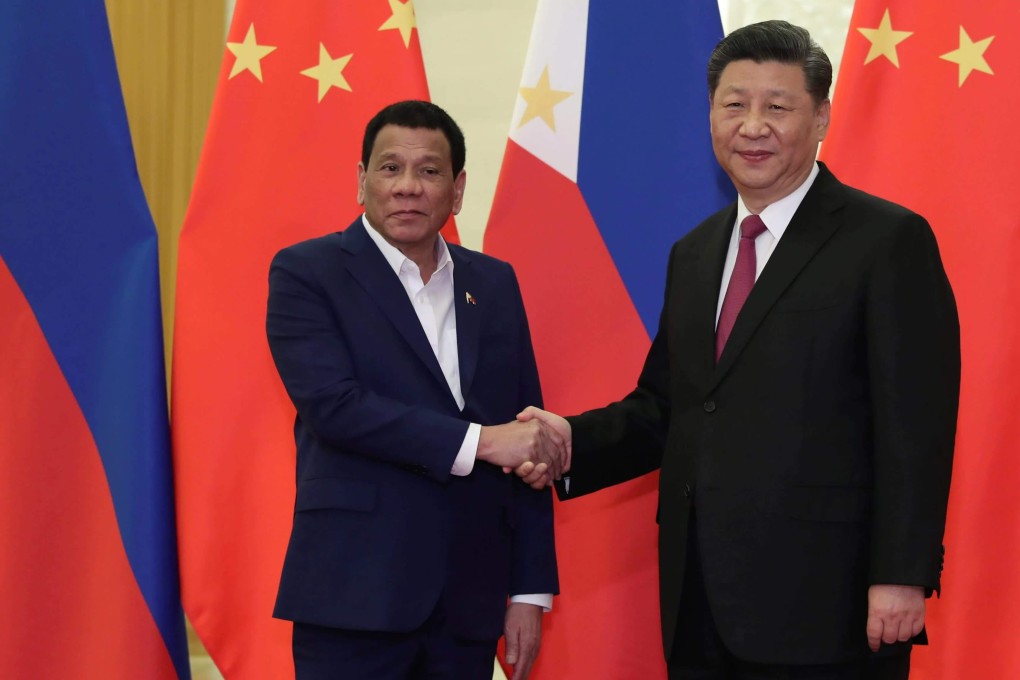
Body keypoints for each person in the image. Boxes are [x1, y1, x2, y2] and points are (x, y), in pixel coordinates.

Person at [519, 20, 960, 680]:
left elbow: (914, 428)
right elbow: (672, 407)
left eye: (777, 106)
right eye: (735, 104)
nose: (753, 125)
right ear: (711, 116)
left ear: (821, 118)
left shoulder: (885, 241)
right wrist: (568, 440)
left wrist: (901, 574)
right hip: (699, 604)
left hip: (830, 607)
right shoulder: (695, 253)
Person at [266, 100, 564, 680]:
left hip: (468, 604)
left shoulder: (494, 282)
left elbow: (525, 433)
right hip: (354, 595)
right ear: (361, 181)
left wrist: (530, 590)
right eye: (389, 168)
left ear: (456, 192)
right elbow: (336, 408)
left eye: (428, 171)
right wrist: (482, 442)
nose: (407, 187)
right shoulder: (307, 273)